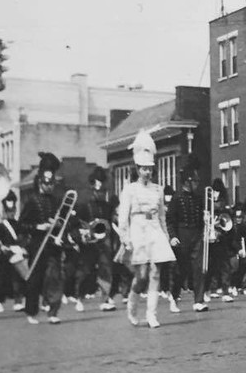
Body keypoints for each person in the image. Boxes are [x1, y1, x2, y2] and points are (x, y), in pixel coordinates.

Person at [117, 131, 176, 328]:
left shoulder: (157, 190)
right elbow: (123, 216)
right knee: (141, 275)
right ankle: (132, 308)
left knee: (156, 272)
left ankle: (152, 314)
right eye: (143, 169)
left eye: (150, 169)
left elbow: (162, 217)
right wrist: (125, 238)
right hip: (138, 230)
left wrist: (166, 237)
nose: (147, 172)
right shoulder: (130, 189)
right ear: (137, 169)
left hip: (154, 230)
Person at [22, 152, 75, 325]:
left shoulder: (56, 200)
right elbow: (21, 225)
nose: (50, 186)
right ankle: (31, 312)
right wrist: (38, 226)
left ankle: (53, 310)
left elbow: (62, 221)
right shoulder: (31, 201)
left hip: (52, 244)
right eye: (46, 183)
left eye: (52, 183)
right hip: (37, 245)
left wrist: (58, 225)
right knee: (35, 279)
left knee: (55, 277)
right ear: (39, 181)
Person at [166, 154, 208, 312]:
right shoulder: (177, 198)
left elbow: (200, 218)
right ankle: (174, 296)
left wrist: (206, 219)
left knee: (199, 268)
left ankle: (199, 299)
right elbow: (170, 220)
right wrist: (173, 236)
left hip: (196, 234)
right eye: (194, 181)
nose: (197, 184)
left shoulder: (198, 198)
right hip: (182, 234)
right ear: (187, 181)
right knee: (180, 270)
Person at [73, 167, 117, 312]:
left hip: (103, 242)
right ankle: (79, 297)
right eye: (98, 190)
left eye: (103, 190)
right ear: (92, 187)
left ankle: (105, 299)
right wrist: (83, 234)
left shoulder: (107, 206)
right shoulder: (84, 206)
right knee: (86, 271)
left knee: (106, 269)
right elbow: (75, 224)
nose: (100, 193)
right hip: (89, 243)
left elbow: (110, 222)